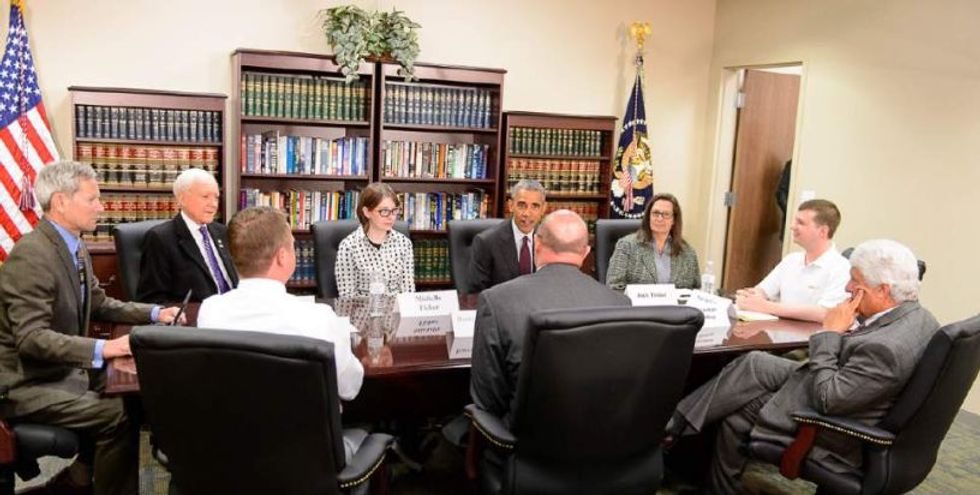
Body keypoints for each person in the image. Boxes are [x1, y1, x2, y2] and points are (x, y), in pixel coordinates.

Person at [667, 239, 939, 494]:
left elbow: (827, 399)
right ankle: (675, 425)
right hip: (848, 389)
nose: (847, 288)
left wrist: (830, 333)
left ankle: (679, 446)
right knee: (754, 362)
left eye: (855, 282)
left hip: (836, 425)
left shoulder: (887, 349)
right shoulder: (920, 317)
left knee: (738, 413)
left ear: (883, 290)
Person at [0, 161, 182, 495]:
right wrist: (104, 349)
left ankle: (79, 478)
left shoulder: (73, 245)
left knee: (138, 396)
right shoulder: (32, 255)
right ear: (60, 202)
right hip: (26, 381)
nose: (101, 206)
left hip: (60, 370)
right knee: (117, 415)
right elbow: (31, 339)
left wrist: (155, 313)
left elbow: (100, 303)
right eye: (92, 199)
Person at [197, 206, 365, 461]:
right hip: (305, 455)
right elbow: (350, 388)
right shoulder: (319, 319)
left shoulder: (210, 312)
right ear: (282, 257)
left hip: (232, 451)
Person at [470, 210, 630, 425]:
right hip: (605, 439)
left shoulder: (496, 301)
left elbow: (488, 400)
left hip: (528, 446)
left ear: (536, 244)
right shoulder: (620, 304)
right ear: (585, 253)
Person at [735, 199, 850, 322]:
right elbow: (763, 290)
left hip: (809, 338)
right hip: (779, 334)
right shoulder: (791, 260)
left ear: (823, 231)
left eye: (800, 223)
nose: (792, 226)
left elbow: (826, 313)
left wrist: (767, 307)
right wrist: (749, 297)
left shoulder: (841, 268)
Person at [137, 168, 238, 304]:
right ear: (182, 199)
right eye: (205, 197)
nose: (213, 204)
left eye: (216, 197)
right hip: (196, 319)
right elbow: (152, 299)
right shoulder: (161, 238)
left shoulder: (223, 232)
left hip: (235, 314)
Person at [606, 192, 701, 290]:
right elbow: (614, 287)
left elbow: (695, 289)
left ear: (674, 220)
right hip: (637, 305)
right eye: (656, 213)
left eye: (666, 214)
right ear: (648, 216)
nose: (659, 218)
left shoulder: (688, 253)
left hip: (674, 305)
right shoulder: (627, 246)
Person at [335, 182, 415, 297]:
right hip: (362, 313)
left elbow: (408, 293)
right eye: (384, 211)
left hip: (396, 312)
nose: (391, 217)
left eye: (394, 211)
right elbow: (347, 298)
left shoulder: (404, 243)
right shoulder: (349, 247)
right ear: (367, 212)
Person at [468, 179, 547, 293]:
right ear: (511, 205)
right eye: (521, 205)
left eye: (535, 206)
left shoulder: (549, 241)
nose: (527, 213)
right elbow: (477, 293)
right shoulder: (486, 242)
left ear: (543, 209)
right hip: (500, 308)